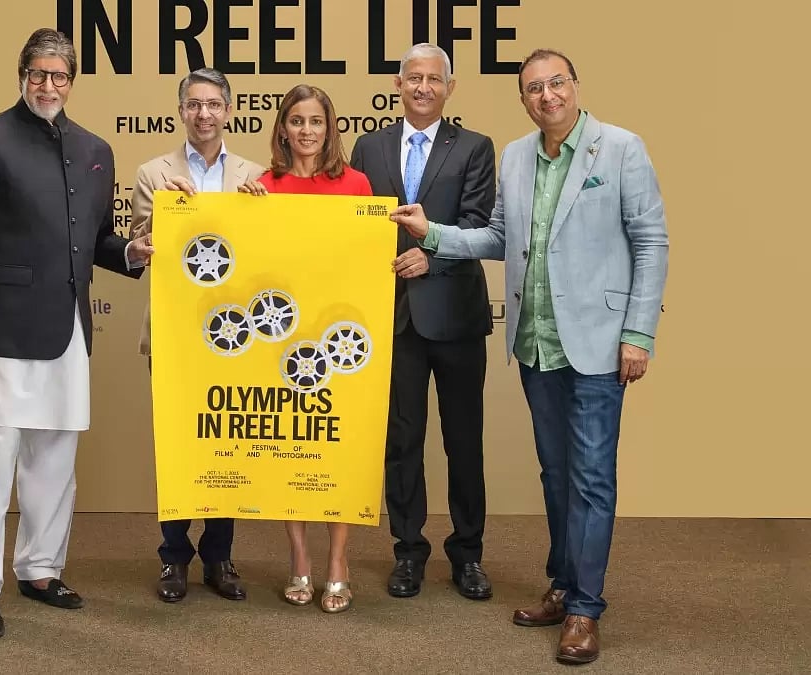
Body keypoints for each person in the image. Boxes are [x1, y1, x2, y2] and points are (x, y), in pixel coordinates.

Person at [390, 49, 669, 664]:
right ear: (523, 99)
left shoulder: (620, 148)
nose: (547, 96)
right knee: (558, 475)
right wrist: (432, 233)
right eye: (534, 88)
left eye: (556, 84)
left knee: (593, 479)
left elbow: (651, 241)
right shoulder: (516, 157)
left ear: (575, 86)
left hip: (599, 341)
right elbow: (496, 236)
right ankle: (564, 584)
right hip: (538, 342)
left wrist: (639, 335)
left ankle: (585, 611)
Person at [0, 27, 154, 639]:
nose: (48, 85)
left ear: (72, 81)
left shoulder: (95, 149)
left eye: (59, 76)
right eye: (38, 74)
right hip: (1, 336)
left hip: (68, 333)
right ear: (22, 76)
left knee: (55, 462)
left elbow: (93, 243)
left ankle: (40, 569)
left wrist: (132, 252)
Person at [349, 43, 496, 601]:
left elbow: (481, 225)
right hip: (393, 318)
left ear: (449, 88)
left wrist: (432, 255)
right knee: (401, 441)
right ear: (398, 84)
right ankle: (407, 551)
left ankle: (468, 554)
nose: (423, 88)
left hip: (455, 314)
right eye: (414, 78)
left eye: (434, 80)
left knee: (464, 441)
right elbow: (355, 223)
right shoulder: (371, 146)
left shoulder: (475, 147)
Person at [130, 67, 265, 603]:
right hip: (176, 331)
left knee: (226, 440)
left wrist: (261, 215)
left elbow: (266, 258)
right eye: (194, 104)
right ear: (181, 111)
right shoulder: (152, 173)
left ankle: (219, 556)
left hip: (236, 335)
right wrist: (168, 214)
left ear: (229, 110)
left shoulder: (255, 174)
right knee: (177, 446)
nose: (204, 113)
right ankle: (172, 559)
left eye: (213, 104)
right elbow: (139, 249)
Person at [238, 84, 373, 613]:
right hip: (283, 342)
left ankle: (338, 561)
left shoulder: (358, 184)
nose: (307, 131)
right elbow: (249, 268)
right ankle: (299, 557)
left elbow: (367, 262)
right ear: (282, 128)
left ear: (330, 128)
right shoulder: (262, 186)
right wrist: (247, 216)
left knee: (338, 451)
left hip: (339, 340)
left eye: (316, 121)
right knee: (290, 448)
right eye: (297, 121)